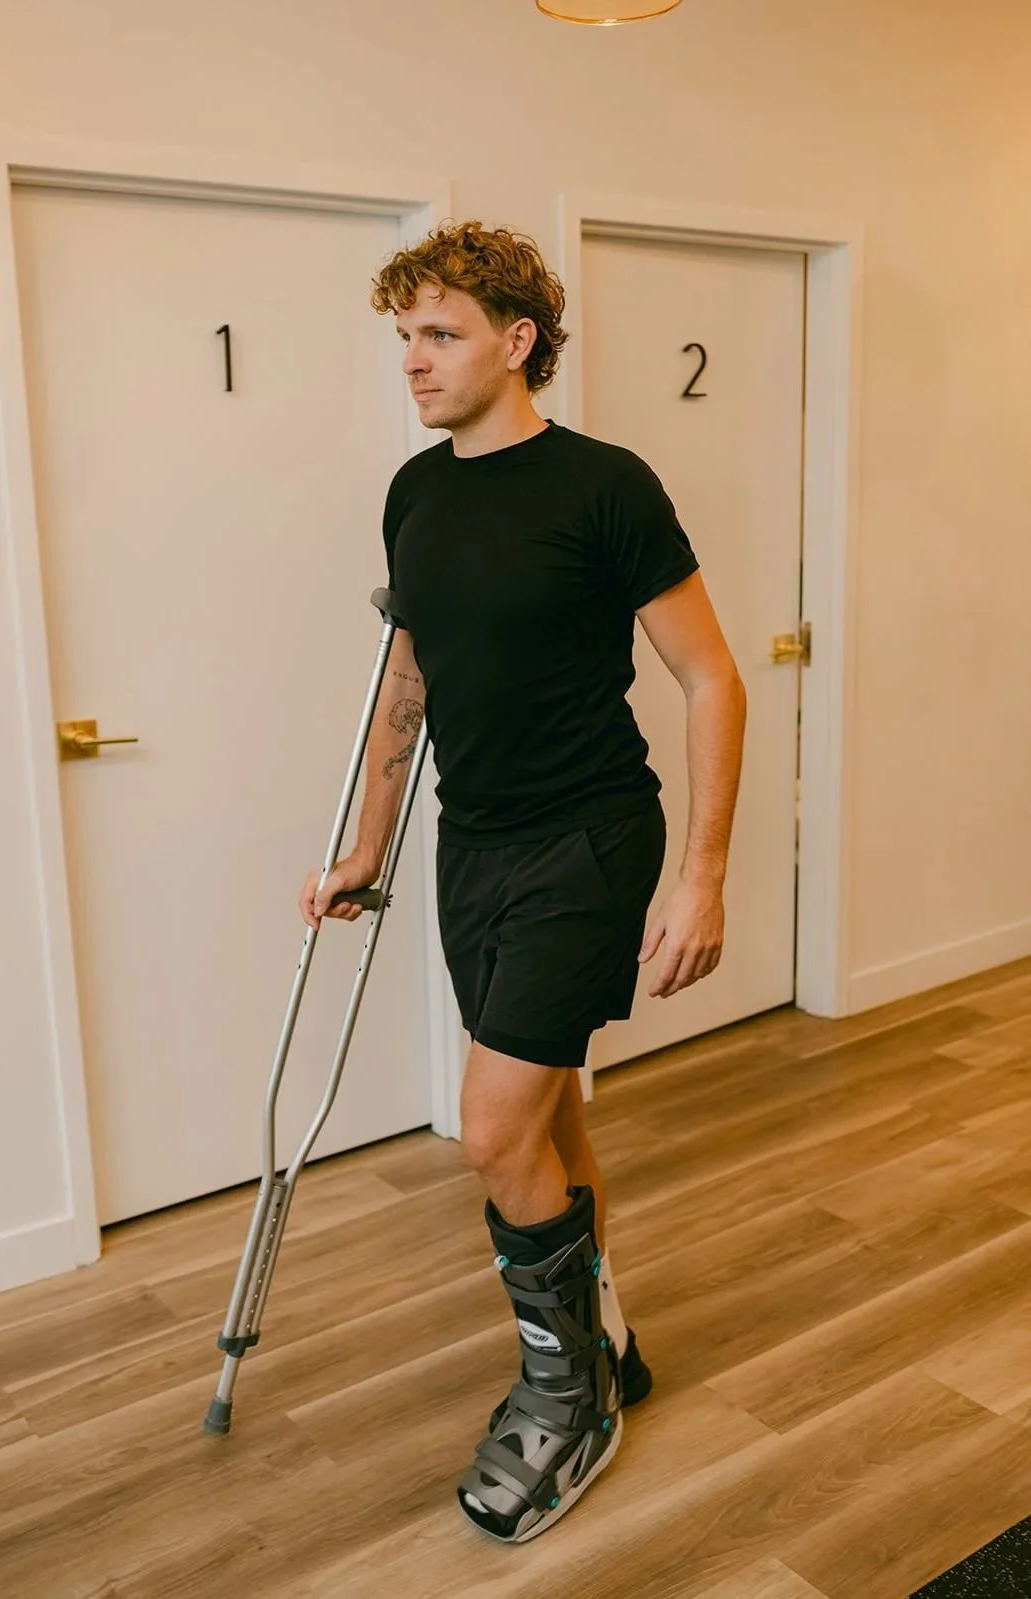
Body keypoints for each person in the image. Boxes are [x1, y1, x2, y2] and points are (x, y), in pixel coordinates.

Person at [299, 220, 746, 1544]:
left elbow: (710, 674)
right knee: (543, 1116)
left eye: (437, 334)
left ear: (516, 339)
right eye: (403, 338)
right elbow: (410, 672)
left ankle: (570, 1397)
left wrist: (702, 874)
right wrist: (370, 845)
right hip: (472, 840)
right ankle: (604, 1327)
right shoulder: (415, 493)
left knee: (491, 1127)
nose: (413, 362)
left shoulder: (604, 484)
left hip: (590, 836)